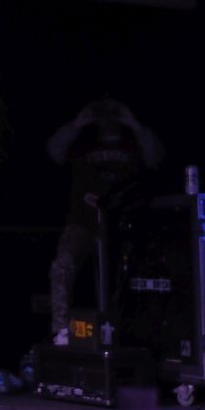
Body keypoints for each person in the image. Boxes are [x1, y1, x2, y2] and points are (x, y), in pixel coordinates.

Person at [46, 96, 164, 346]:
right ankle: (61, 331)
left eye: (114, 111)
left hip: (124, 225)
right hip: (83, 222)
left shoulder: (132, 143)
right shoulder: (84, 143)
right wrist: (79, 122)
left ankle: (136, 334)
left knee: (133, 278)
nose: (109, 117)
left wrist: (133, 122)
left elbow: (155, 158)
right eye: (103, 112)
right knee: (62, 265)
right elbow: (54, 152)